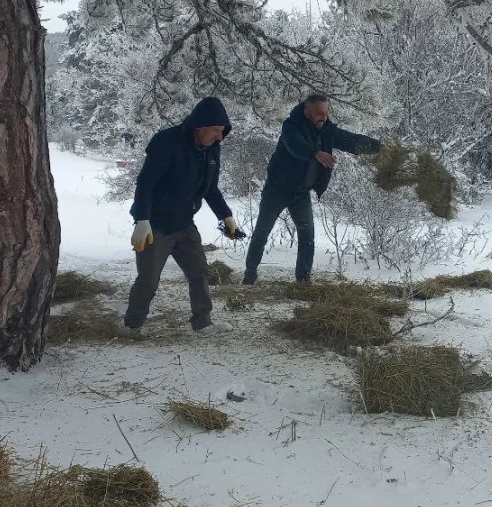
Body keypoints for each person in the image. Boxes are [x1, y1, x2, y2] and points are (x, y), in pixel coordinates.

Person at [124, 96, 242, 333]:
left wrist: (226, 216)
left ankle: (202, 322)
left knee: (200, 273)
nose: (220, 137)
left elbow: (210, 188)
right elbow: (145, 183)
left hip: (185, 224)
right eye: (216, 130)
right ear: (199, 126)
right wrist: (142, 220)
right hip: (155, 225)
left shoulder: (212, 150)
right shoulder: (166, 143)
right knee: (148, 281)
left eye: (222, 131)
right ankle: (132, 326)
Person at [243, 94, 383, 285]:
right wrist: (315, 153)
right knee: (261, 233)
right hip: (277, 190)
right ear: (307, 112)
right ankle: (250, 274)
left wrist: (380, 149)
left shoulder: (327, 130)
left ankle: (303, 281)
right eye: (319, 114)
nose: (323, 117)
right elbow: (295, 145)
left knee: (307, 237)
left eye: (326, 113)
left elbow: (351, 140)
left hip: (301, 193)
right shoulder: (291, 126)